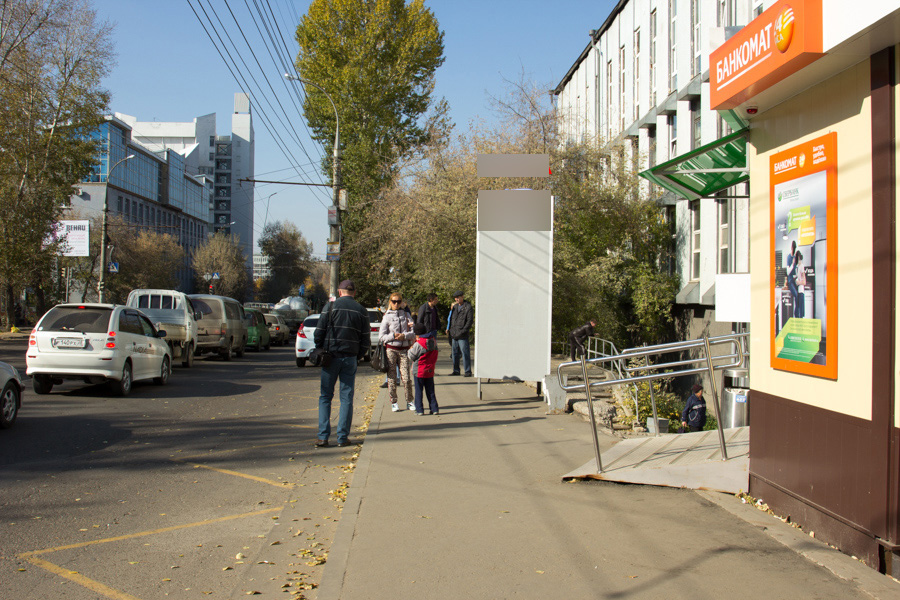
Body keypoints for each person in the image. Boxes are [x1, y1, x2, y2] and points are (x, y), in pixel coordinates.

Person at [313, 279, 369, 448]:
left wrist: (320, 348)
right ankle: (342, 437)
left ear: (339, 292)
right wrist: (357, 356)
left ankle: (323, 437)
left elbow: (318, 333)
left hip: (330, 357)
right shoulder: (361, 310)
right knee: (346, 398)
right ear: (354, 293)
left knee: (325, 397)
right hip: (350, 358)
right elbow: (365, 340)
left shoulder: (330, 307)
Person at [379, 292, 416, 412]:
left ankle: (409, 401)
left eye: (398, 301)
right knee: (392, 378)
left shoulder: (406, 315)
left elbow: (413, 332)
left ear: (402, 302)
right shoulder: (387, 316)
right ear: (390, 302)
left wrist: (404, 336)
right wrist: (393, 336)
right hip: (391, 349)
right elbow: (382, 336)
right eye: (394, 301)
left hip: (404, 350)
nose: (396, 303)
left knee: (406, 378)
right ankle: (394, 402)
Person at [407, 322, 439, 415]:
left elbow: (411, 356)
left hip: (419, 371)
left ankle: (419, 410)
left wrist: (410, 348)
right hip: (430, 369)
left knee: (418, 391)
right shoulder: (433, 340)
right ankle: (434, 408)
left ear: (417, 334)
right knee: (431, 391)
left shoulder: (418, 344)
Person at [447, 290, 473, 377]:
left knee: (465, 353)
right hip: (454, 334)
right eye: (455, 298)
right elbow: (451, 319)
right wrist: (450, 330)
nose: (456, 299)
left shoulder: (468, 307)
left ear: (462, 296)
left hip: (462, 335)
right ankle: (456, 370)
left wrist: (463, 331)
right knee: (454, 354)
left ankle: (468, 371)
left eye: (458, 297)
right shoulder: (454, 307)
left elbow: (469, 321)